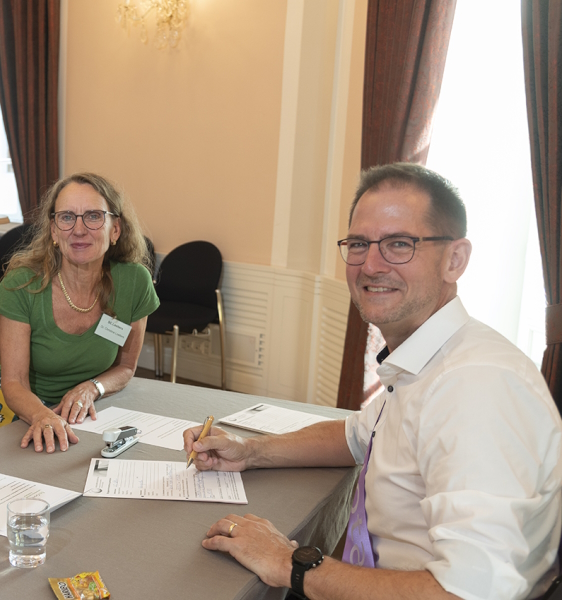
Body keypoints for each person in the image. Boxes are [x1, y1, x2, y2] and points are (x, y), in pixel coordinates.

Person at [184, 163, 562, 600]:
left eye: (400, 244)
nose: (371, 265)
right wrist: (251, 452)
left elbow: (470, 594)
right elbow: (358, 435)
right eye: (360, 244)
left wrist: (291, 565)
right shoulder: (428, 356)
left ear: (454, 260)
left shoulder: (476, 387)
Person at [0, 173, 159, 452]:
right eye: (67, 217)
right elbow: (14, 382)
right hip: (20, 408)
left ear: (115, 229)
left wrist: (91, 388)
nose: (79, 230)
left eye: (94, 216)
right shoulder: (23, 282)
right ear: (54, 230)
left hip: (88, 413)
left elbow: (126, 367)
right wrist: (43, 415)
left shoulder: (135, 282)